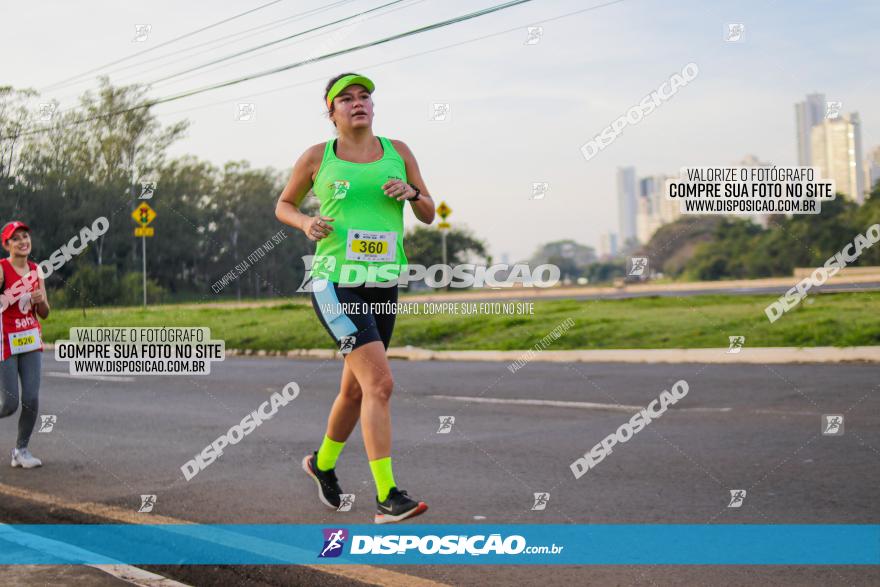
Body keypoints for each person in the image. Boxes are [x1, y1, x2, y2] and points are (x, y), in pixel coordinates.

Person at [275, 73, 435, 524]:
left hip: (383, 283)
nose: (357, 103)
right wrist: (306, 223)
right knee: (380, 384)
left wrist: (413, 193)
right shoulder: (316, 158)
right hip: (333, 283)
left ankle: (321, 464)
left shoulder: (398, 152)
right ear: (332, 113)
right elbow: (283, 204)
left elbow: (429, 212)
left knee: (355, 388)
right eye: (346, 99)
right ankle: (387, 497)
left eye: (364, 96)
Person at [0, 221, 49, 468]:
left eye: (25, 236)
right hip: (5, 340)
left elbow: (45, 312)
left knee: (31, 399)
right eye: (16, 238)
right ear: (7, 244)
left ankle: (21, 451)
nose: (23, 241)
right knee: (9, 404)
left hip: (30, 338)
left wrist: (40, 301)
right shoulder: (1, 270)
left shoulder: (36, 271)